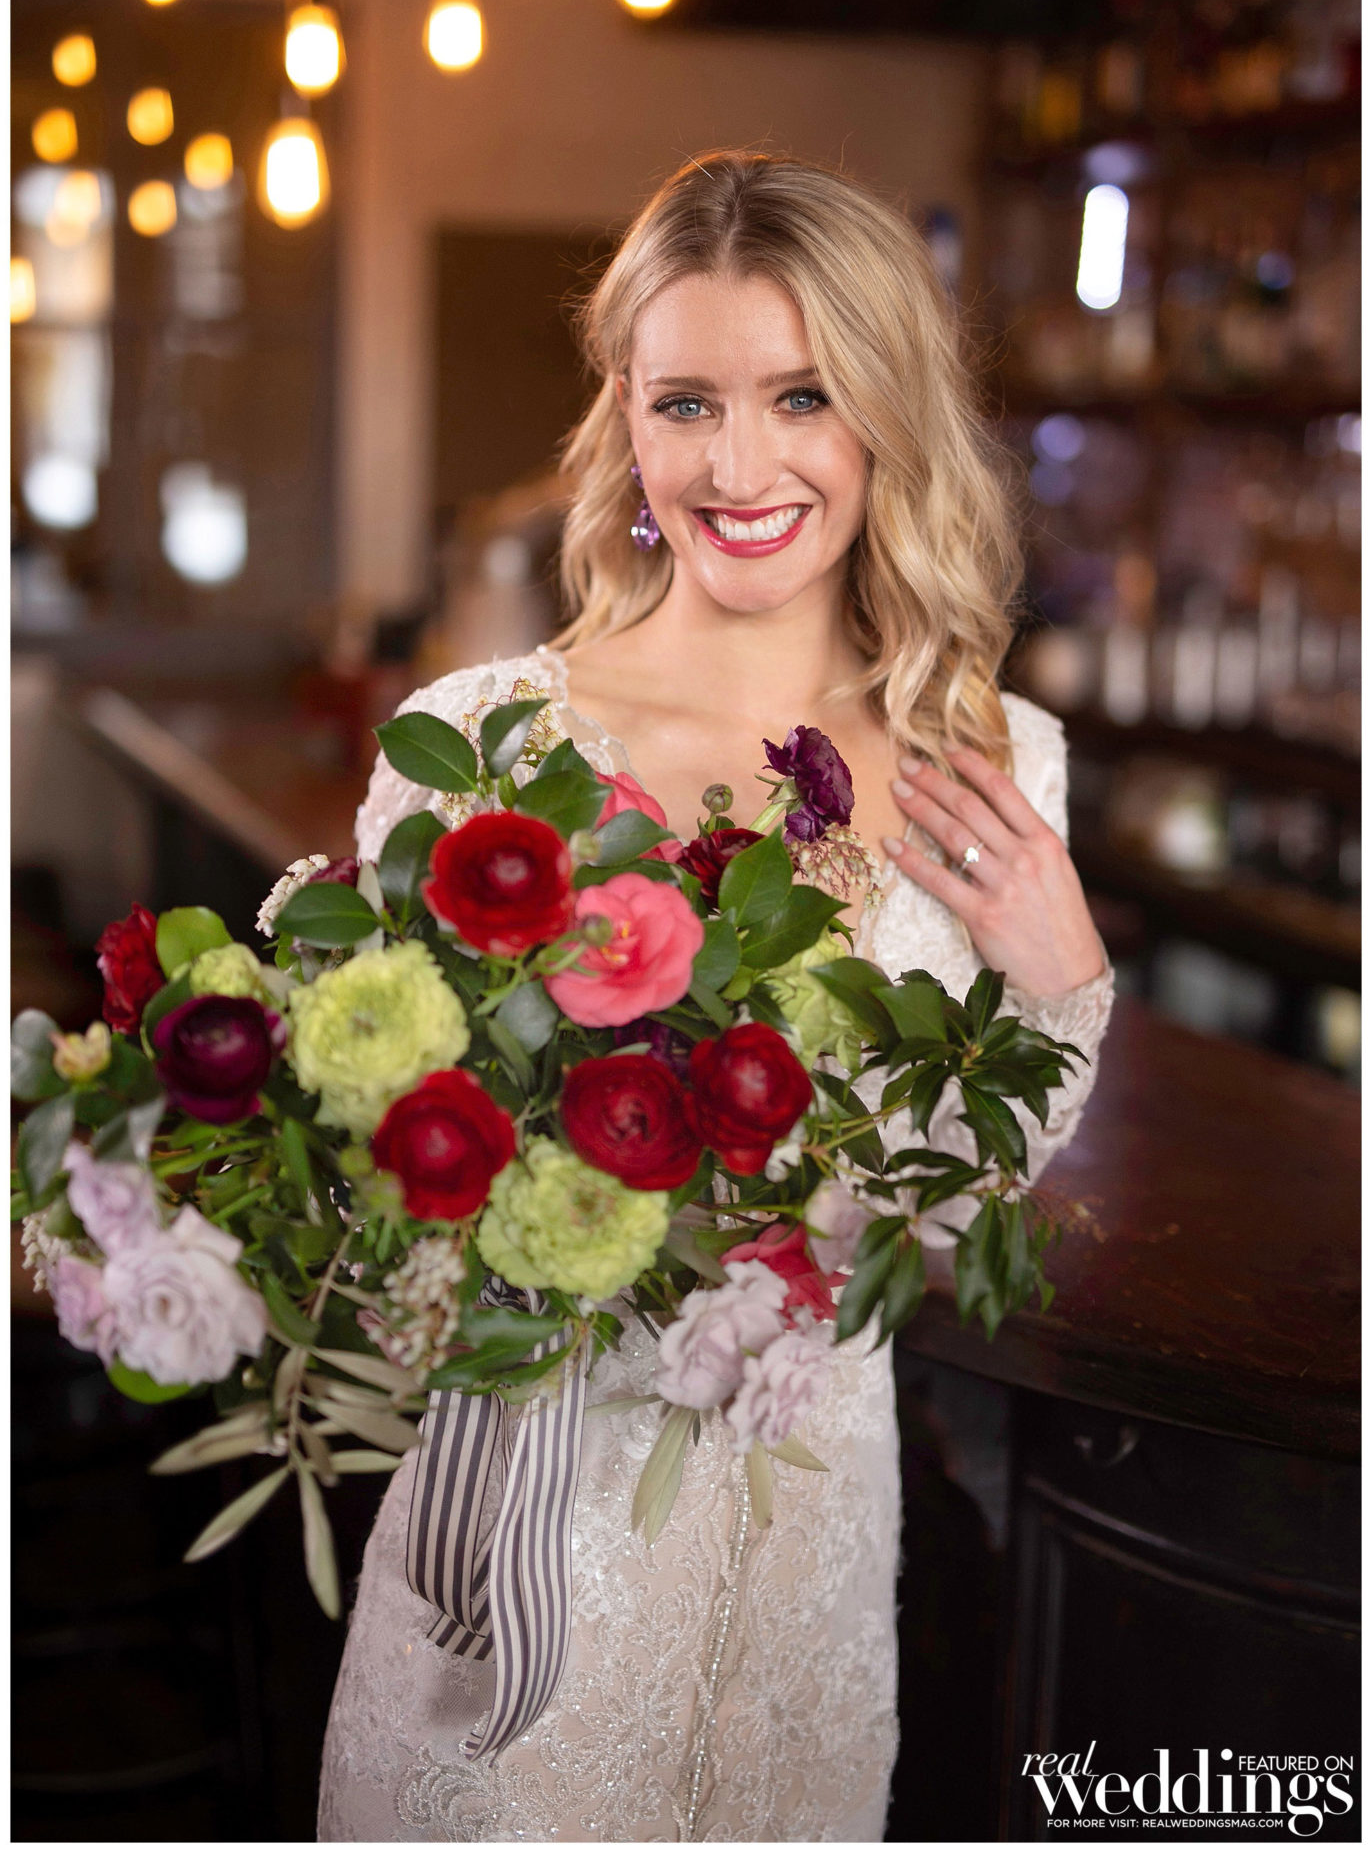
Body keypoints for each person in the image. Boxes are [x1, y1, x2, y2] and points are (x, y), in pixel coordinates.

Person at [317, 151, 1113, 1841]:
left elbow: (952, 1215)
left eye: (802, 396)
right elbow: (379, 1194)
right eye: (688, 402)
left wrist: (1067, 989)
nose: (739, 467)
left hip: (812, 1583)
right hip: (524, 1572)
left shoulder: (997, 762)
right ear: (627, 415)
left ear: (887, 415)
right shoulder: (488, 748)